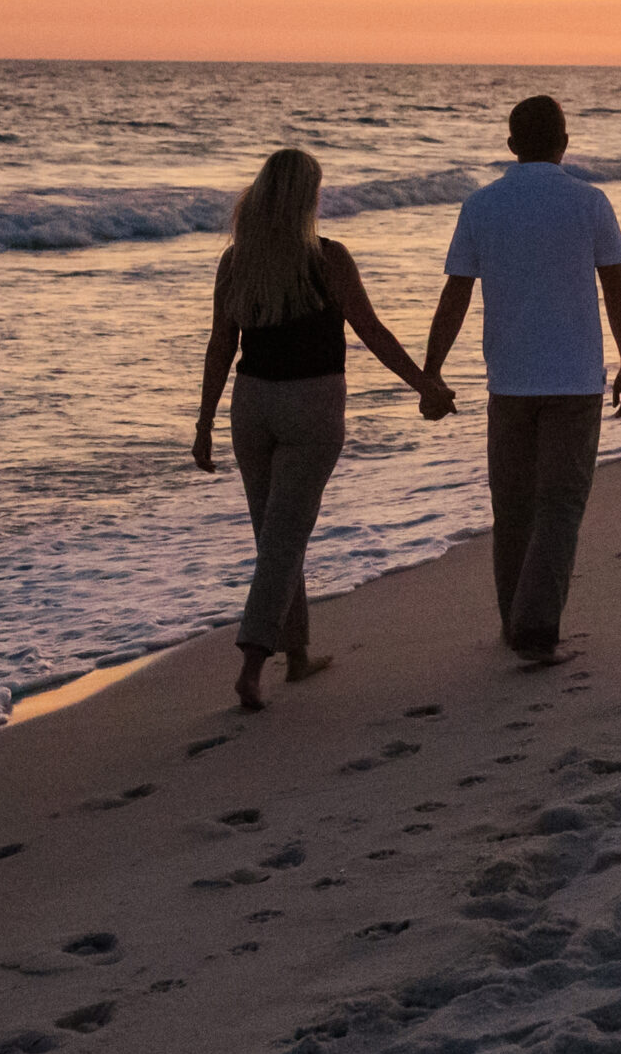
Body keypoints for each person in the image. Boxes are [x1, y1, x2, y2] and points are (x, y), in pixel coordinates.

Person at [194, 147, 454, 711]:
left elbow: (221, 346)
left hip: (250, 405)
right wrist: (423, 384)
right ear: (304, 199)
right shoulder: (328, 258)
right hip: (312, 406)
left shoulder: (236, 260)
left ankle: (298, 655)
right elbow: (372, 331)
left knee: (276, 537)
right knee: (285, 539)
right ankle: (251, 664)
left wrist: (205, 420)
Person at [422, 93, 621, 663]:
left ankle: (513, 622)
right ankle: (536, 631)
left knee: (513, 507)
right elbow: (615, 290)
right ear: (564, 143)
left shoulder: (482, 205)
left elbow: (456, 294)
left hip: (509, 380)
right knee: (560, 505)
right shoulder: (589, 202)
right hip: (574, 380)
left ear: (512, 145)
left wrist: (432, 370)